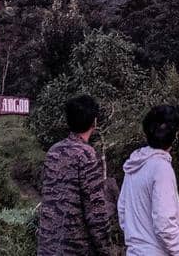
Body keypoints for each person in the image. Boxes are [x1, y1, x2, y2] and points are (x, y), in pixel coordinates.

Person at [37, 95, 115, 256]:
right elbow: (96, 210)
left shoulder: (53, 151)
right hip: (74, 248)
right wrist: (107, 250)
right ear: (94, 122)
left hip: (48, 247)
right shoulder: (85, 154)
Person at [117, 105, 179, 255]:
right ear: (175, 136)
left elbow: (122, 210)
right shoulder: (161, 168)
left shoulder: (134, 164)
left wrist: (138, 238)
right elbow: (164, 224)